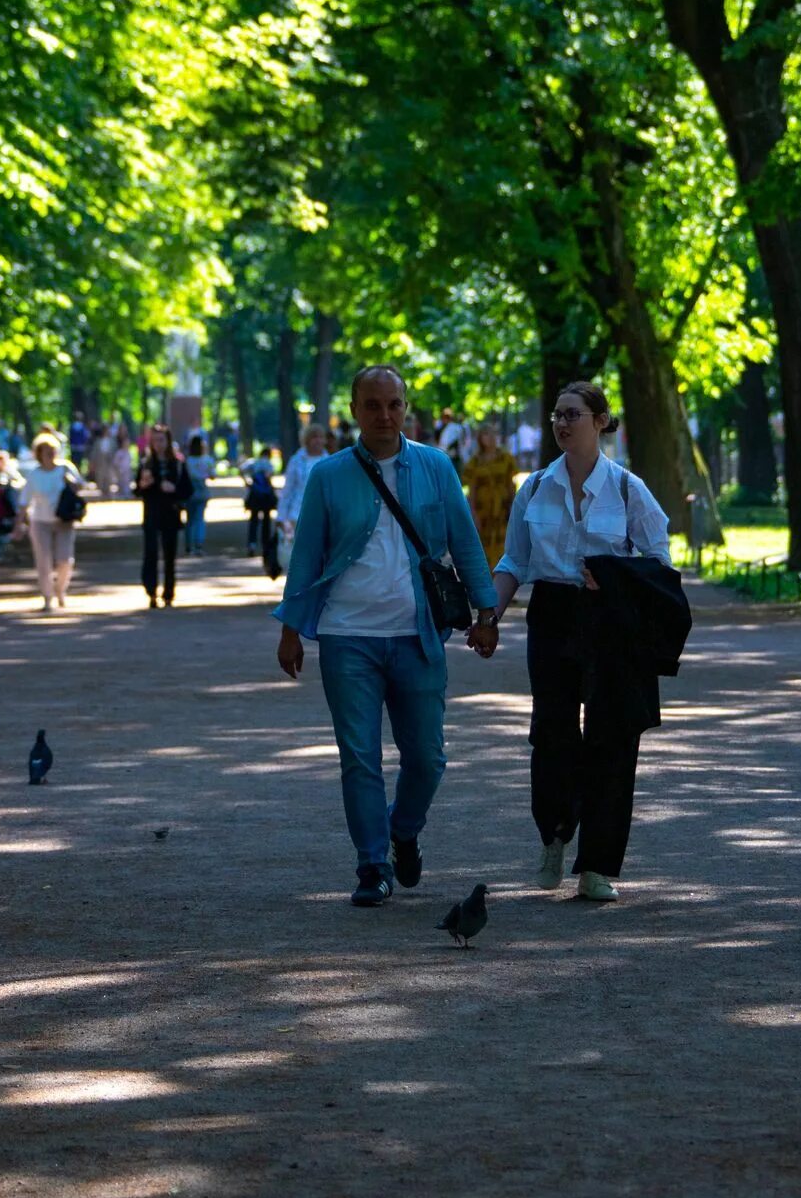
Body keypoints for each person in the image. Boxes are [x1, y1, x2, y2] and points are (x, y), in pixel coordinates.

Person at [274, 366, 499, 907]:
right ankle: (372, 864)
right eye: (372, 405)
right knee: (359, 756)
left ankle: (403, 830)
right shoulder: (329, 476)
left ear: (405, 407)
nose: (383, 416)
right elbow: (306, 556)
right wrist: (291, 630)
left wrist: (486, 610)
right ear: (354, 410)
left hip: (417, 633)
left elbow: (465, 542)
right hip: (347, 635)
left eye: (393, 405)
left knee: (427, 757)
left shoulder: (436, 466)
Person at [479, 381, 674, 902]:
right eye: (557, 416)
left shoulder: (630, 490)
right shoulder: (535, 488)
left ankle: (597, 867)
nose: (563, 423)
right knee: (552, 733)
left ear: (601, 421)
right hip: (554, 614)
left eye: (574, 414)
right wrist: (491, 615)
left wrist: (613, 579)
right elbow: (514, 562)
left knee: (613, 738)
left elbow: (659, 564)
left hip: (613, 624)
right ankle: (555, 837)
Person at [19, 434, 85, 613]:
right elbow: (25, 500)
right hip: (40, 521)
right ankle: (47, 597)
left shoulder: (65, 468)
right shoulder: (34, 474)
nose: (50, 455)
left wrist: (70, 483)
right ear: (39, 454)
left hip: (63, 520)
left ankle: (60, 589)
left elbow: (81, 487)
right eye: (46, 452)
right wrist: (18, 524)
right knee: (44, 561)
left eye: (53, 451)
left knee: (65, 560)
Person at [133, 425, 192, 610]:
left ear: (167, 441)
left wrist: (174, 490)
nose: (158, 444)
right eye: (155, 440)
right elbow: (137, 490)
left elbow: (188, 490)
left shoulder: (178, 464)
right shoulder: (146, 464)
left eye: (161, 440)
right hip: (151, 514)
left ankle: (168, 593)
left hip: (171, 514)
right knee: (150, 554)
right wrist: (143, 485)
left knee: (169, 555)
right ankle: (151, 592)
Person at [461, 424, 518, 568]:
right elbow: (472, 489)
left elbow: (511, 483)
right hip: (483, 511)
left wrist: (513, 506)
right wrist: (473, 513)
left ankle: (501, 578)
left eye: (493, 433)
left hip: (502, 509)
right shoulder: (475, 461)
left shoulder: (506, 458)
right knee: (483, 549)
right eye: (486, 434)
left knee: (503, 545)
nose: (491, 437)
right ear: (480, 438)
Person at [276, 423, 329, 574]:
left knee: (320, 553)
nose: (317, 441)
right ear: (306, 440)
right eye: (314, 437)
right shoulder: (297, 460)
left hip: (322, 513)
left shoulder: (329, 461)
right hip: (297, 513)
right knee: (302, 553)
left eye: (320, 437)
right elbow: (288, 490)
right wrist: (281, 516)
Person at [183, 434, 217, 556]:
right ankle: (198, 545)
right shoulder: (207, 460)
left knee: (190, 520)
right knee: (200, 519)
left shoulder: (187, 461)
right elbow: (213, 475)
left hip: (189, 492)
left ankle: (189, 546)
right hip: (202, 491)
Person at [244, 448, 278, 558]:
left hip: (255, 495)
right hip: (266, 497)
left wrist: (247, 482)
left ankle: (252, 544)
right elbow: (268, 477)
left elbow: (242, 469)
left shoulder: (253, 462)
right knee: (266, 520)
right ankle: (265, 544)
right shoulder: (269, 464)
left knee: (254, 520)